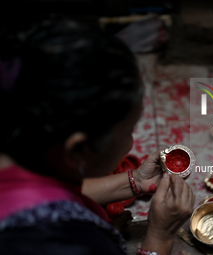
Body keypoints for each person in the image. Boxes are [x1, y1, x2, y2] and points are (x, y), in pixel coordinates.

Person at [0, 18, 195, 255]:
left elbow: (46, 188)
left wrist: (134, 181)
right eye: (129, 130)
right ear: (78, 150)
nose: (132, 142)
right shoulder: (61, 240)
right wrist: (159, 236)